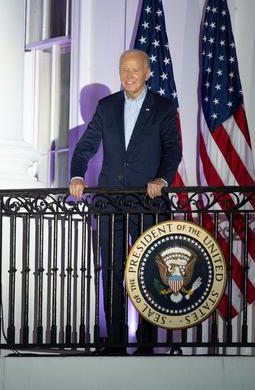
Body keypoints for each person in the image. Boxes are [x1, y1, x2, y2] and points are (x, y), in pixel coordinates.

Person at [69, 49, 182, 354]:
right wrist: (77, 175)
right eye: (123, 70)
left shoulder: (163, 108)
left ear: (147, 73)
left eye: (135, 70)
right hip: (111, 203)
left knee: (149, 272)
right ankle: (116, 342)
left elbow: (173, 150)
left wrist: (162, 180)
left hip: (149, 203)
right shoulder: (107, 107)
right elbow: (85, 148)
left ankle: (146, 343)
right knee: (111, 270)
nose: (129, 76)